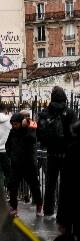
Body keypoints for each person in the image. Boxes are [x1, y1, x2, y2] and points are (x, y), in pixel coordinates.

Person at [39, 86, 78, 219]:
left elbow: (40, 134)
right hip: (67, 153)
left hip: (51, 153)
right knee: (66, 185)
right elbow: (75, 133)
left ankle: (48, 211)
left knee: (50, 183)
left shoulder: (45, 112)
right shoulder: (70, 112)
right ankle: (65, 213)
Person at [7, 111, 42, 217]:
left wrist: (28, 123)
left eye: (16, 124)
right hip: (16, 165)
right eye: (12, 124)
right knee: (13, 186)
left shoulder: (30, 129)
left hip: (29, 165)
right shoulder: (12, 132)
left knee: (34, 186)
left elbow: (32, 137)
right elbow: (7, 145)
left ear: (21, 122)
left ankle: (39, 206)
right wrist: (11, 155)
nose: (14, 126)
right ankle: (13, 207)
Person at [0, 102, 12, 197]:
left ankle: (0, 195)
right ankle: (11, 193)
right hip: (6, 151)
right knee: (9, 173)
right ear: (5, 110)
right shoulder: (10, 120)